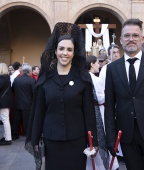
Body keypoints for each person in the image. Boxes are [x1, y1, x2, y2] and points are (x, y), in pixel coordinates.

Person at [25, 22, 98, 170]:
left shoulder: (83, 79)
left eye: (69, 49)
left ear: (74, 53)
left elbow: (89, 113)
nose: (65, 53)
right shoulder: (45, 79)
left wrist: (93, 141)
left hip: (77, 140)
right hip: (52, 140)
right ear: (55, 51)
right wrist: (35, 138)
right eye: (61, 49)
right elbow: (39, 111)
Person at [104, 18, 144, 170]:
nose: (131, 39)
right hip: (127, 136)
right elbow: (109, 106)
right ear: (121, 40)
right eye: (127, 36)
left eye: (135, 35)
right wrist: (111, 138)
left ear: (142, 39)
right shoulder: (112, 68)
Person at [86, 56, 119, 170]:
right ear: (91, 64)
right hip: (99, 111)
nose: (99, 65)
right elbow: (100, 98)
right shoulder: (94, 79)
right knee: (101, 137)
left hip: (90, 111)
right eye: (96, 63)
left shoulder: (86, 77)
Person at [11, 63, 36, 140]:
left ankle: (14, 135)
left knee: (15, 121)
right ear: (29, 71)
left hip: (17, 103)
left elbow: (13, 90)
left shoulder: (16, 79)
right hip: (27, 104)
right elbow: (34, 92)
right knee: (27, 121)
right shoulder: (32, 80)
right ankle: (28, 135)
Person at [0, 63, 12, 145]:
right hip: (6, 101)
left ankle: (8, 139)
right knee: (6, 119)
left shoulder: (2, 78)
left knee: (5, 120)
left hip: (3, 102)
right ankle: (6, 136)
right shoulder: (7, 77)